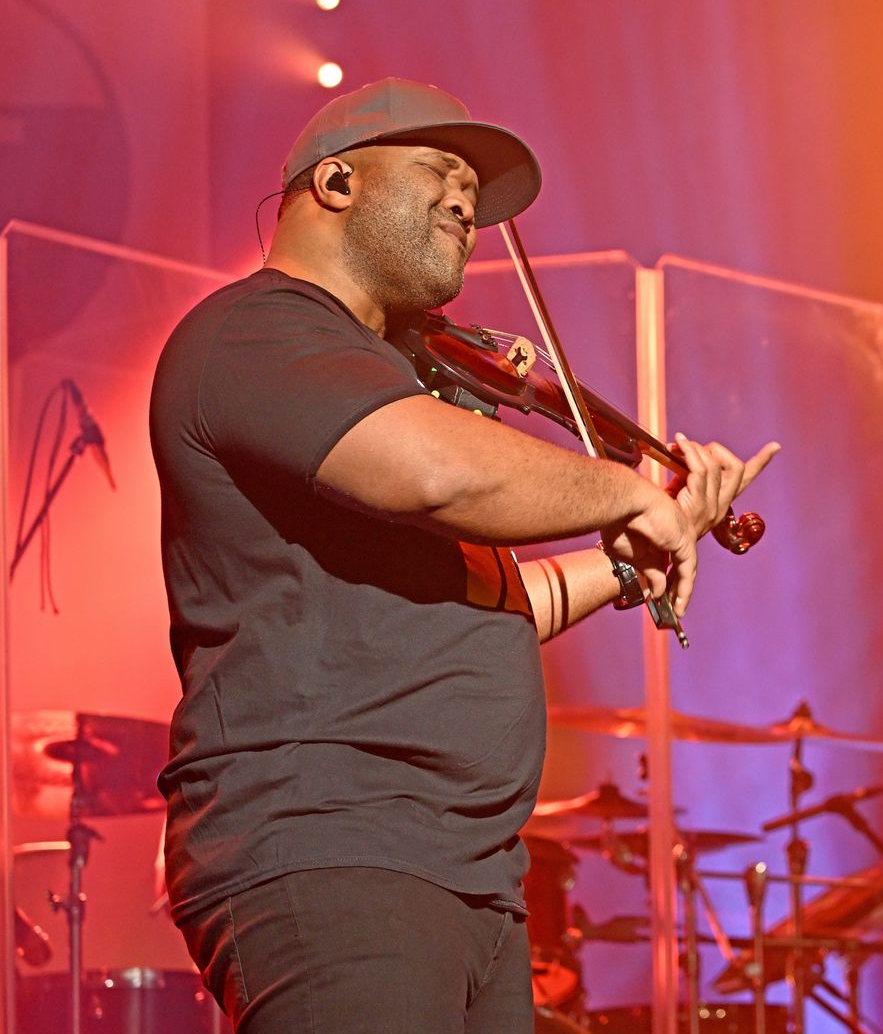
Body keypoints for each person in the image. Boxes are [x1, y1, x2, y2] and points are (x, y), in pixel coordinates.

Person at [150, 78, 777, 1033]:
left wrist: (624, 565)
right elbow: (441, 473)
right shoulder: (258, 334)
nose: (465, 202)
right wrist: (629, 491)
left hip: (468, 870)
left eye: (474, 194)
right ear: (336, 183)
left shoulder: (392, 378)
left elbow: (485, 591)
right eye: (441, 171)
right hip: (337, 846)